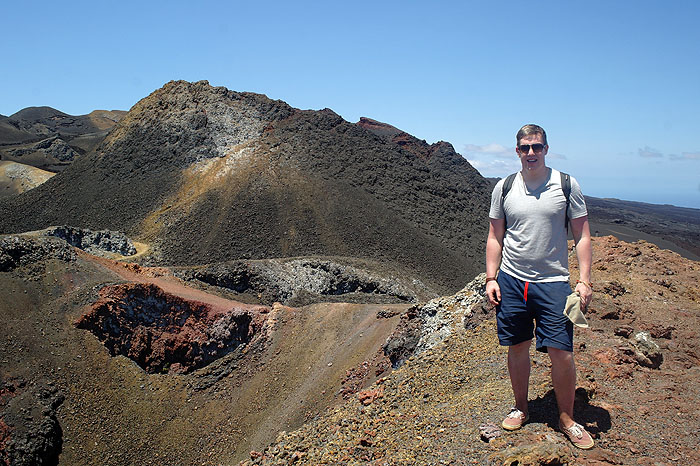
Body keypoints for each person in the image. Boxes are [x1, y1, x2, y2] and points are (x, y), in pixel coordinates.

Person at [485, 124, 594, 449]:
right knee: (517, 346)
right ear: (517, 150)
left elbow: (582, 235)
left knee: (561, 352)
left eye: (536, 147)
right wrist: (492, 277)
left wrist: (584, 280)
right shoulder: (504, 188)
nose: (531, 153)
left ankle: (567, 418)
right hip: (512, 281)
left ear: (546, 149)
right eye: (524, 148)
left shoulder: (566, 185)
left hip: (555, 284)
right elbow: (495, 237)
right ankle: (521, 407)